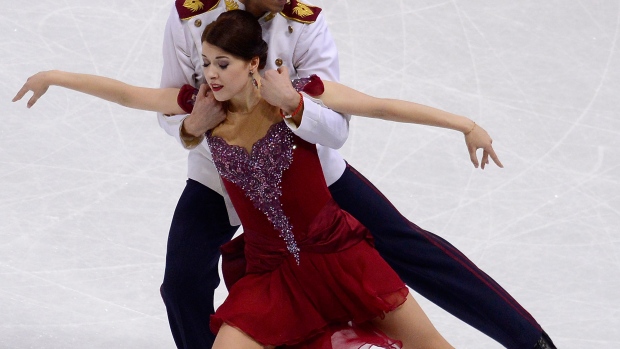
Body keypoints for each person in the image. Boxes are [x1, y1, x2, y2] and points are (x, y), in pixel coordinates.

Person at [15, 1, 557, 348]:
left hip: (308, 176)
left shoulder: (305, 23)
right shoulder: (191, 18)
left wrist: (295, 103)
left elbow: (346, 121)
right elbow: (156, 105)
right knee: (181, 281)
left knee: (407, 246)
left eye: (221, 65)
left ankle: (528, 340)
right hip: (217, 174)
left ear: (253, 63)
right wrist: (189, 127)